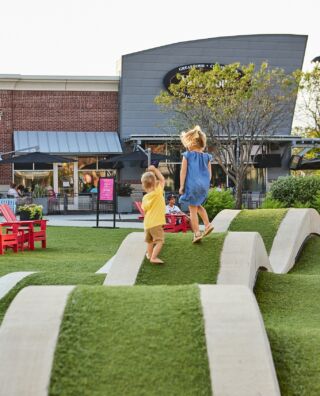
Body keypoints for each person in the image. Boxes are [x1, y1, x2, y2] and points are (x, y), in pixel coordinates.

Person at [179, 125, 214, 243]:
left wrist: (182, 186)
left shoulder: (187, 155)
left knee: (192, 210)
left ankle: (197, 233)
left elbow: (183, 172)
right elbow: (210, 174)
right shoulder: (207, 157)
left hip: (192, 185)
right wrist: (205, 185)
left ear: (189, 143)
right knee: (198, 205)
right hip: (203, 186)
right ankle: (208, 225)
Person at [141, 165, 166, 264]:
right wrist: (155, 170)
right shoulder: (158, 192)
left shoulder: (145, 198)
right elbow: (162, 179)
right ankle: (153, 257)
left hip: (147, 223)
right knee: (159, 241)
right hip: (156, 223)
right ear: (155, 183)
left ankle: (149, 254)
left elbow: (145, 211)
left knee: (150, 241)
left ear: (144, 185)